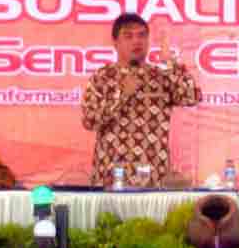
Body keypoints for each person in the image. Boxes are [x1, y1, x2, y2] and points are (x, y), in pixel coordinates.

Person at [81, 13, 202, 187]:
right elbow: (89, 121)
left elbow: (192, 97)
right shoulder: (101, 77)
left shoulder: (161, 76)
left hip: (154, 179)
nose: (136, 41)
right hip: (111, 177)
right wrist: (122, 96)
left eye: (142, 35)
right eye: (128, 36)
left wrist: (171, 63)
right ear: (115, 42)